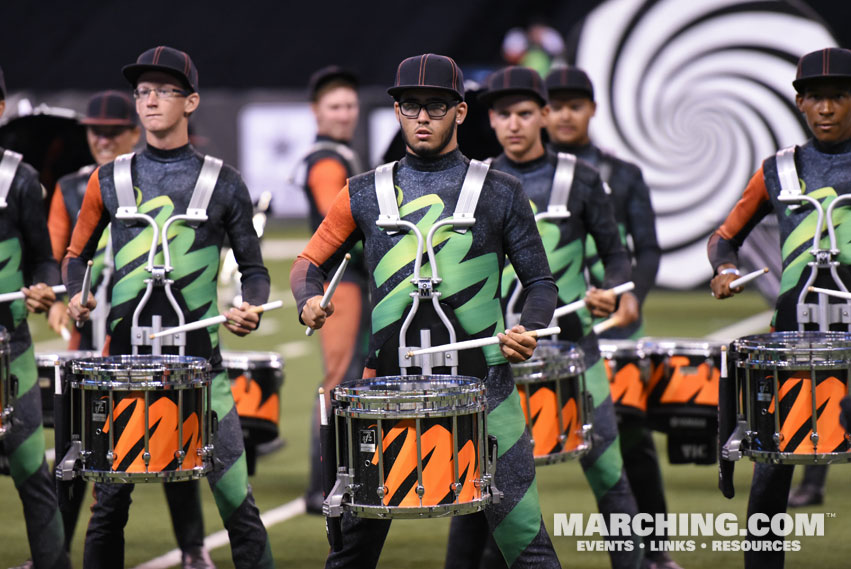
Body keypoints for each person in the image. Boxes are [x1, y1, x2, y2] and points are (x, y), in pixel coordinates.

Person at [291, 53, 561, 569]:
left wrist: (528, 326)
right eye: (410, 105)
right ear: (395, 111)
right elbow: (309, 262)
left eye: (435, 106)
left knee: (529, 548)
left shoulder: (502, 191)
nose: (421, 117)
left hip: (490, 395)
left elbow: (541, 283)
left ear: (460, 112)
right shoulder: (363, 191)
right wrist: (308, 300)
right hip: (385, 397)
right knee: (351, 553)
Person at [63, 46, 274, 569]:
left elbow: (255, 269)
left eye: (164, 91)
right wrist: (77, 292)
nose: (151, 101)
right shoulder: (106, 178)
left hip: (205, 374)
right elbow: (75, 255)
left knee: (237, 507)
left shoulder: (223, 181)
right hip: (122, 376)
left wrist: (251, 306)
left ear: (192, 101)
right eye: (143, 92)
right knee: (109, 509)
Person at [447, 65, 644, 569]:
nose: (515, 124)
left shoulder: (583, 179)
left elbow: (617, 254)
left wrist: (613, 290)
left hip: (576, 353)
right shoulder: (474, 183)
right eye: (505, 114)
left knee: (608, 474)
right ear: (489, 119)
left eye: (526, 113)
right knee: (478, 486)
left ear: (545, 116)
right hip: (496, 361)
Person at [45, 90, 216, 567]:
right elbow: (59, 255)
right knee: (77, 454)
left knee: (172, 439)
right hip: (90, 343)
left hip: (150, 332)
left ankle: (192, 547)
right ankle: (53, 551)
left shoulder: (156, 181)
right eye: (93, 131)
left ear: (131, 131)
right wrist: (61, 298)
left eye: (111, 130)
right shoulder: (72, 187)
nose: (101, 139)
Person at [709, 47, 851, 569]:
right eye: (817, 97)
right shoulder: (779, 170)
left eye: (839, 96)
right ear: (800, 103)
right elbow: (725, 238)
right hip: (793, 345)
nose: (828, 108)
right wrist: (724, 270)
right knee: (770, 474)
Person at [544, 66, 679, 569]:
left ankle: (656, 551)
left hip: (616, 328)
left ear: (592, 110)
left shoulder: (622, 175)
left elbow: (645, 247)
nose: (563, 115)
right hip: (544, 327)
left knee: (631, 439)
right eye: (554, 106)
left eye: (573, 106)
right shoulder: (520, 176)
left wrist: (631, 295)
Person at [0, 64, 71, 569]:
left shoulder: (18, 178)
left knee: (30, 467)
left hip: (9, 345)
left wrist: (45, 284)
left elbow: (44, 256)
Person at [299, 66, 370, 514]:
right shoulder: (327, 160)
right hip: (339, 283)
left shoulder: (344, 153)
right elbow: (337, 221)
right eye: (335, 106)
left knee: (353, 380)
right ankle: (320, 486)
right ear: (316, 112)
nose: (345, 114)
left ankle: (342, 479)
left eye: (350, 106)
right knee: (339, 382)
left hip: (351, 280)